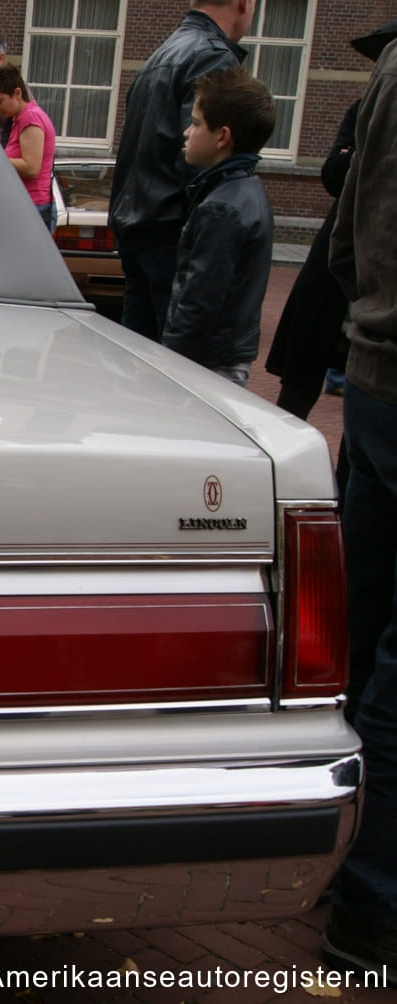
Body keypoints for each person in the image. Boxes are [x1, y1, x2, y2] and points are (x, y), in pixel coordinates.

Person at [321, 30, 397, 985]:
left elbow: (341, 242)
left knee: (362, 620)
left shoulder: (389, 69)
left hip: (379, 378)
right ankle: (370, 901)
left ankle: (344, 860)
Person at [266, 20, 397, 422]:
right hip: (335, 258)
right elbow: (333, 173)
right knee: (304, 362)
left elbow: (348, 169)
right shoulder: (361, 108)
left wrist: (353, 157)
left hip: (367, 266)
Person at [109, 0, 255, 342]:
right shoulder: (213, 57)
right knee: (179, 362)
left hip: (138, 227)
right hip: (172, 235)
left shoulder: (162, 53)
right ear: (243, 4)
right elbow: (204, 160)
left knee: (141, 361)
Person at [159, 67, 273, 387]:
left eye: (195, 123)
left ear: (222, 137)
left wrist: (169, 363)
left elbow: (199, 302)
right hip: (224, 355)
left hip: (209, 363)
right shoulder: (247, 192)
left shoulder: (221, 209)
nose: (186, 132)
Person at [0, 65, 57, 232]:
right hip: (29, 205)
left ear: (17, 93)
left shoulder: (30, 117)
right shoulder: (20, 118)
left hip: (33, 206)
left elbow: (31, 168)